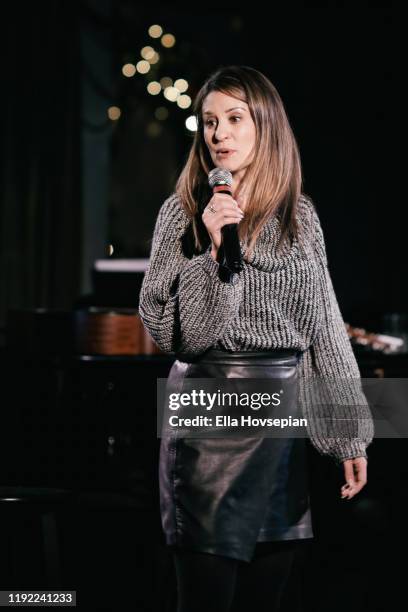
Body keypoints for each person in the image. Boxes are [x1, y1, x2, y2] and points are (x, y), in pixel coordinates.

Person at [139, 65, 374, 612]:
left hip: (279, 427)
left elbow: (323, 327)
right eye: (209, 122)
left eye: (235, 119)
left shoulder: (300, 216)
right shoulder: (181, 212)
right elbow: (183, 337)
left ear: (265, 125)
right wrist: (217, 250)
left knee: (271, 594)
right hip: (207, 418)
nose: (219, 134)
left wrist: (350, 435)